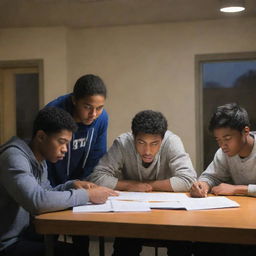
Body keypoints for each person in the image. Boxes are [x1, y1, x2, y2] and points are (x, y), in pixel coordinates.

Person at [0, 107, 116, 256]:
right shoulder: (14, 158)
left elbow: (45, 192)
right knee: (74, 253)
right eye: (61, 142)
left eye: (67, 143)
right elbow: (37, 201)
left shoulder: (39, 158)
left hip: (24, 235)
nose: (65, 149)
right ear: (41, 136)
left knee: (77, 249)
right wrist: (87, 195)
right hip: (7, 244)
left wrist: (71, 184)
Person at [89, 110, 197, 256]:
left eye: (154, 144)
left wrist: (149, 185)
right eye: (141, 143)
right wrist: (130, 185)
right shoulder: (123, 143)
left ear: (163, 139)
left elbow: (188, 179)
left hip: (169, 214)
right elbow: (96, 177)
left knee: (182, 244)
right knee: (125, 245)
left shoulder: (172, 141)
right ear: (133, 137)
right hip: (133, 213)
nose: (147, 151)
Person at [190, 103, 256, 256]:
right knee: (203, 243)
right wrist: (203, 185)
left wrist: (238, 189)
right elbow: (211, 175)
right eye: (218, 140)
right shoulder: (224, 152)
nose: (222, 145)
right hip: (241, 217)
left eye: (227, 138)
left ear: (245, 131)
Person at [46, 74, 108, 186]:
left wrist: (86, 185)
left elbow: (97, 158)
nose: (93, 114)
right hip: (51, 186)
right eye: (87, 107)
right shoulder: (53, 113)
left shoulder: (102, 117)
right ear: (74, 100)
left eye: (99, 108)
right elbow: (44, 158)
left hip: (82, 184)